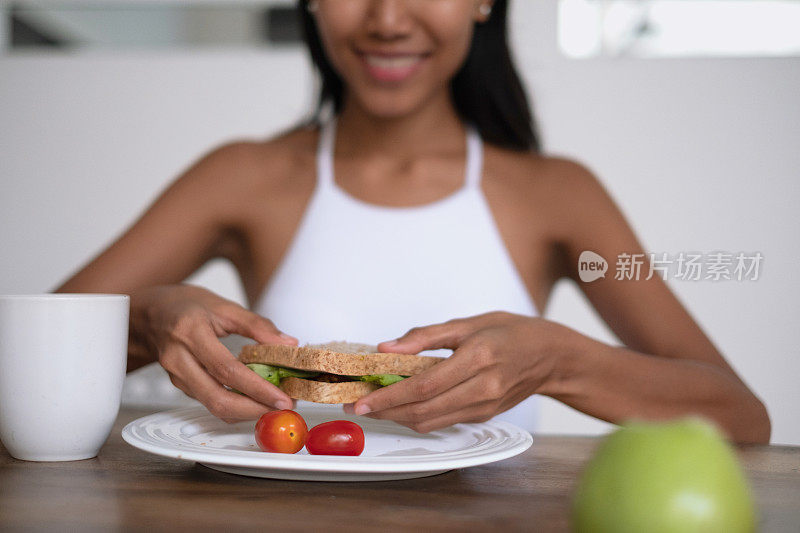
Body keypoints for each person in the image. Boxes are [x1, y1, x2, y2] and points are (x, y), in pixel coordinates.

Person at [57, 0, 770, 443]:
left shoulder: (562, 195)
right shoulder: (242, 176)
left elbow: (740, 414)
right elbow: (20, 357)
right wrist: (144, 320)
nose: (389, 17)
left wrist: (561, 360)